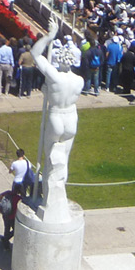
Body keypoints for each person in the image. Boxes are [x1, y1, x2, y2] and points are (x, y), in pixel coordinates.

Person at [31, 19, 84, 222]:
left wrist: (50, 36)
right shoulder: (79, 80)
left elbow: (35, 54)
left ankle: (49, 200)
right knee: (64, 160)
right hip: (71, 116)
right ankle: (58, 192)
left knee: (49, 160)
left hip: (56, 115)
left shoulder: (54, 76)